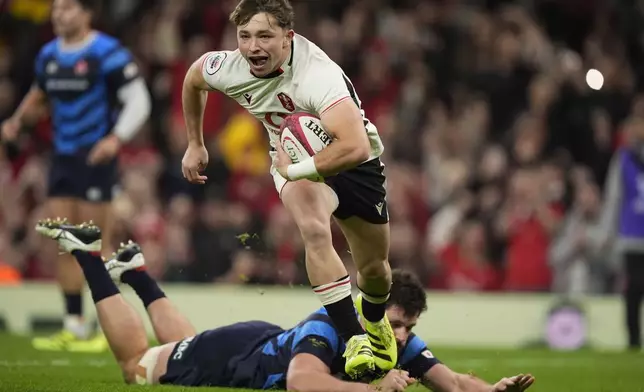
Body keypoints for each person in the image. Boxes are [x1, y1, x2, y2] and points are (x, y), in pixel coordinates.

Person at [36, 219, 535, 392]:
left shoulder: (398, 340)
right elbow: (301, 381)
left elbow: (450, 382)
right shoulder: (331, 324)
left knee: (172, 346)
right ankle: (90, 256)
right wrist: (375, 388)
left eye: (409, 328)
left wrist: (491, 388)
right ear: (372, 308)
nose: (401, 336)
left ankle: (138, 273)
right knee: (134, 368)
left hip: (257, 338)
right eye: (396, 324)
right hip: (233, 357)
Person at [181, 0, 394, 376]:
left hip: (354, 164)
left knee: (375, 271)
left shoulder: (318, 75)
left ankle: (375, 319)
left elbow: (356, 146)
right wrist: (195, 143)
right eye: (244, 36)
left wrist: (302, 167)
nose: (252, 47)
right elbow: (193, 80)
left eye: (265, 35)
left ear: (287, 37)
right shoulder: (228, 66)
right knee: (314, 229)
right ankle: (354, 339)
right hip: (290, 157)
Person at [0, 0, 151, 351]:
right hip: (62, 158)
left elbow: (138, 98)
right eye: (56, 8)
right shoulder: (49, 55)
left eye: (68, 8)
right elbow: (38, 96)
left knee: (96, 245)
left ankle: (112, 325)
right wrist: (16, 121)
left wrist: (116, 139)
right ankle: (75, 326)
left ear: (87, 13)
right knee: (65, 245)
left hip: (95, 158)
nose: (59, 15)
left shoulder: (106, 52)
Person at [598, 117, 644, 350]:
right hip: (632, 235)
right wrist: (606, 232)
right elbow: (614, 196)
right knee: (634, 288)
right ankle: (633, 339)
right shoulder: (624, 158)